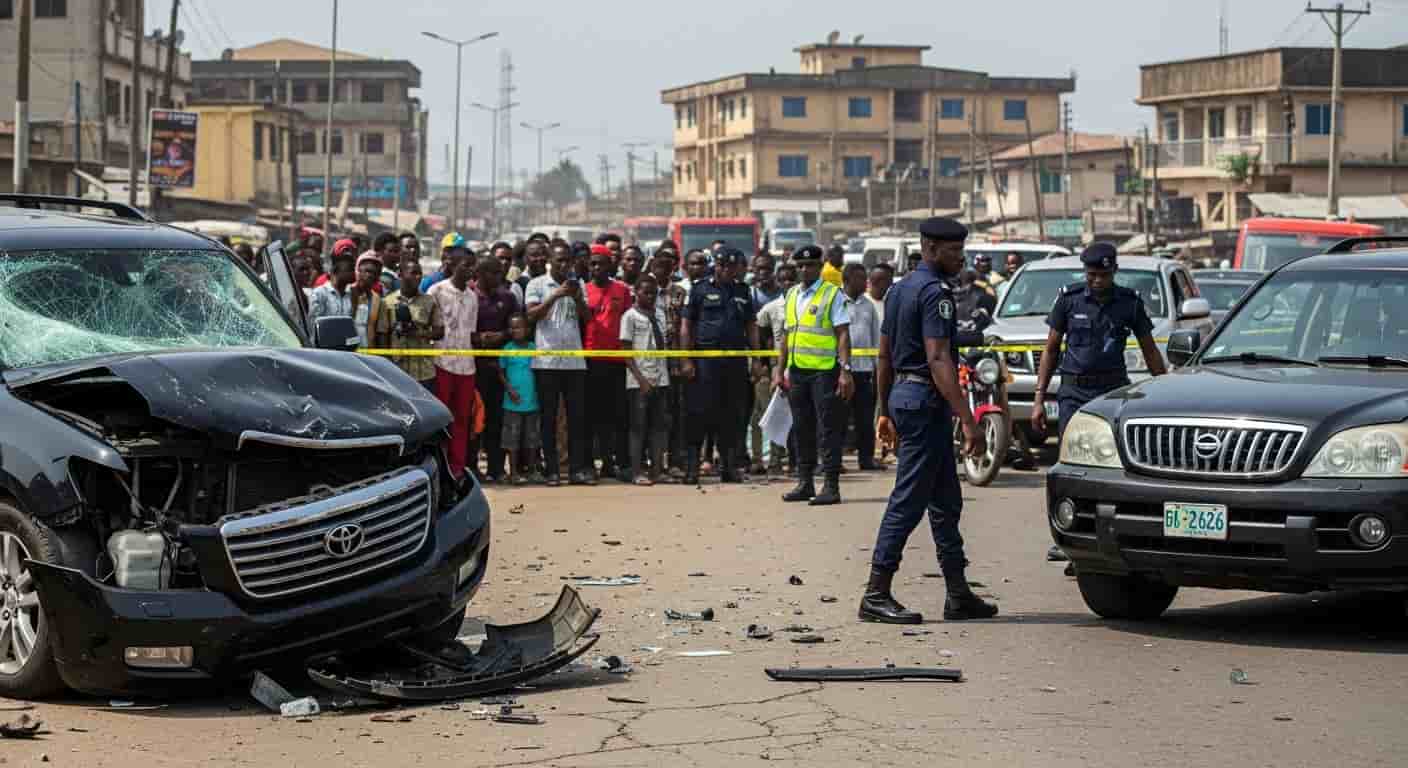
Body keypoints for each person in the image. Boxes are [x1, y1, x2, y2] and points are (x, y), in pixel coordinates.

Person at [861, 217, 998, 625]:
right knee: (909, 499)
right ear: (932, 249)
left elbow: (885, 356)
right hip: (925, 399)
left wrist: (885, 408)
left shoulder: (900, 289)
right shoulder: (935, 293)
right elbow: (939, 358)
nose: (961, 258)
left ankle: (957, 593)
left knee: (945, 501)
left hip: (907, 396)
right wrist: (969, 421)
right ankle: (875, 592)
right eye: (955, 251)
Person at [1032, 241, 1167, 562]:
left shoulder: (1129, 303)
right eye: (1092, 274)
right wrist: (1039, 398)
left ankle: (1105, 533)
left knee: (1110, 466)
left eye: (1103, 275)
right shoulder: (1068, 300)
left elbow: (1149, 349)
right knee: (1069, 467)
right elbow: (1051, 349)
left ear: (1114, 272)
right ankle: (1066, 533)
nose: (1096, 281)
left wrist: (1163, 389)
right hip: (1073, 392)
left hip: (1111, 393)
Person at [776, 245, 853, 505]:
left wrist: (845, 370)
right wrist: (779, 370)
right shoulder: (792, 295)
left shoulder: (831, 293)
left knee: (827, 429)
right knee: (802, 428)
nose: (804, 270)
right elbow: (787, 336)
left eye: (809, 265)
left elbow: (843, 333)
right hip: (798, 370)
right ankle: (805, 482)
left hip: (824, 371)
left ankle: (831, 486)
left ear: (819, 267)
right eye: (799, 266)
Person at [680, 247, 755, 484]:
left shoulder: (743, 291)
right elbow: (687, 325)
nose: (726, 270)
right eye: (722, 265)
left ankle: (729, 467)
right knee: (699, 414)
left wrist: (757, 359)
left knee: (732, 415)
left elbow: (751, 326)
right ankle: (692, 468)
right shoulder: (700, 289)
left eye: (731, 267)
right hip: (706, 361)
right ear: (716, 266)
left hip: (735, 362)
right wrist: (686, 359)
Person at [526, 241, 591, 486]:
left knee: (577, 418)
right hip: (546, 361)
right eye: (559, 260)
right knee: (549, 418)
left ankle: (575, 470)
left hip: (574, 361)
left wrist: (577, 298)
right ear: (550, 261)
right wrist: (556, 295)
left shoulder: (578, 284)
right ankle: (551, 470)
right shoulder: (537, 284)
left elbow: (588, 318)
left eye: (567, 261)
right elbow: (531, 315)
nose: (564, 265)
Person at [428, 249, 480, 480]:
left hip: (466, 365)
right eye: (465, 265)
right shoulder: (437, 291)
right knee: (441, 418)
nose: (469, 270)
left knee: (462, 418)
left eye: (472, 266)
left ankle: (457, 467)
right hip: (442, 361)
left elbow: (472, 331)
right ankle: (439, 464)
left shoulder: (472, 296)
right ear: (454, 265)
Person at [583, 244, 632, 478]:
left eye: (600, 263)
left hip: (616, 360)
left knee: (618, 415)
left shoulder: (622, 291)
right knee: (593, 415)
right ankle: (595, 462)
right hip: (590, 360)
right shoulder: (583, 290)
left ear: (609, 265)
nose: (596, 268)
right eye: (592, 264)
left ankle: (618, 462)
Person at [620, 273, 671, 485]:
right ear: (636, 292)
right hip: (639, 379)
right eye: (646, 292)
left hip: (661, 377)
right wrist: (641, 380)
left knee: (659, 426)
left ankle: (657, 470)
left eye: (653, 293)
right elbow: (625, 350)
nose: (650, 296)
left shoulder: (660, 314)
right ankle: (636, 471)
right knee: (638, 427)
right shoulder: (630, 316)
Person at [471, 256, 518, 483]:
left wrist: (502, 335)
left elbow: (518, 326)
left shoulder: (507, 298)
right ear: (481, 274)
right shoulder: (470, 297)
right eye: (495, 273)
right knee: (475, 420)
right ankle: (472, 468)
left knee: (497, 420)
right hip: (473, 367)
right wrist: (478, 338)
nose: (500, 277)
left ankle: (496, 468)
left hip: (500, 369)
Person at [752, 262, 797, 474]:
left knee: (796, 414)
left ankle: (791, 459)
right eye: (784, 279)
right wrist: (763, 366)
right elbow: (760, 336)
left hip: (800, 365)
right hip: (775, 366)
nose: (787, 283)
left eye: (791, 279)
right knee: (769, 412)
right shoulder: (771, 308)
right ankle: (769, 460)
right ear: (778, 282)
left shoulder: (803, 304)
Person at [841, 262, 882, 471]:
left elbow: (876, 339)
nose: (865, 282)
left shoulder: (868, 306)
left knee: (864, 419)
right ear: (847, 280)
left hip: (864, 370)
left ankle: (866, 459)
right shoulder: (837, 302)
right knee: (837, 418)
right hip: (841, 371)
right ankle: (834, 461)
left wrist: (877, 369)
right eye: (859, 278)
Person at [382, 259, 445, 391]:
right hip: (397, 370)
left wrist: (418, 333)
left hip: (424, 370)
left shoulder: (430, 301)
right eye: (413, 273)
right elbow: (382, 336)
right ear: (401, 275)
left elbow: (440, 332)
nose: (418, 277)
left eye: (420, 273)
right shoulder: (387, 302)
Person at [654, 252, 690, 477]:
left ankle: (676, 461)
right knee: (655, 413)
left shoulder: (680, 292)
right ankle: (655, 462)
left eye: (665, 267)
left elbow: (685, 326)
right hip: (651, 361)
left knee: (676, 411)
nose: (661, 271)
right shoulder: (642, 289)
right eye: (657, 266)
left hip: (674, 360)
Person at [499, 314, 542, 485]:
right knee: (512, 440)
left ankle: (532, 471)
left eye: (519, 327)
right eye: (513, 328)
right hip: (512, 403)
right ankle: (514, 473)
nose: (516, 330)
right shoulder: (507, 349)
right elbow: (500, 373)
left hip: (532, 401)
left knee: (532, 439)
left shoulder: (534, 348)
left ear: (528, 330)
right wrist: (510, 389)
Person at [305, 247, 357, 333]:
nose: (354, 273)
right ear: (335, 271)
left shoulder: (351, 295)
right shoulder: (320, 294)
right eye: (350, 269)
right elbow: (313, 327)